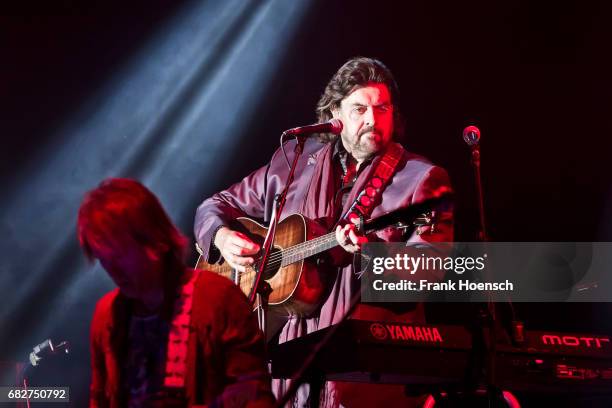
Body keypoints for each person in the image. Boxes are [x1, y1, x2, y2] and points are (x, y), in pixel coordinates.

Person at [194, 57, 453, 407]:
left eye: (383, 108)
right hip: (286, 369)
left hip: (363, 379)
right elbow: (214, 206)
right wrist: (222, 238)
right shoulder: (294, 162)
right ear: (336, 114)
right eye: (359, 109)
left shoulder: (420, 179)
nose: (372, 120)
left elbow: (431, 270)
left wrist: (369, 252)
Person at [78, 178, 275, 408]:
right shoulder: (107, 316)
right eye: (104, 259)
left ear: (152, 239)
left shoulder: (219, 298)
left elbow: (252, 395)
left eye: (119, 254)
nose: (112, 269)